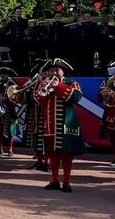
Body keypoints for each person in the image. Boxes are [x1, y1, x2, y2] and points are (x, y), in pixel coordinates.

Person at [34, 58, 85, 193]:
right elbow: (37, 99)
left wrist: (58, 86)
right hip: (49, 126)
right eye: (51, 70)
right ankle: (55, 180)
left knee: (66, 155)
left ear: (63, 72)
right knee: (53, 154)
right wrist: (44, 87)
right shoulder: (44, 83)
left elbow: (76, 97)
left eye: (56, 70)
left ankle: (66, 182)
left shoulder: (71, 83)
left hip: (66, 126)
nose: (53, 72)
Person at [99, 62, 115, 167]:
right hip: (111, 110)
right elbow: (100, 97)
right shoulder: (107, 81)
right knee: (112, 136)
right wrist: (103, 93)